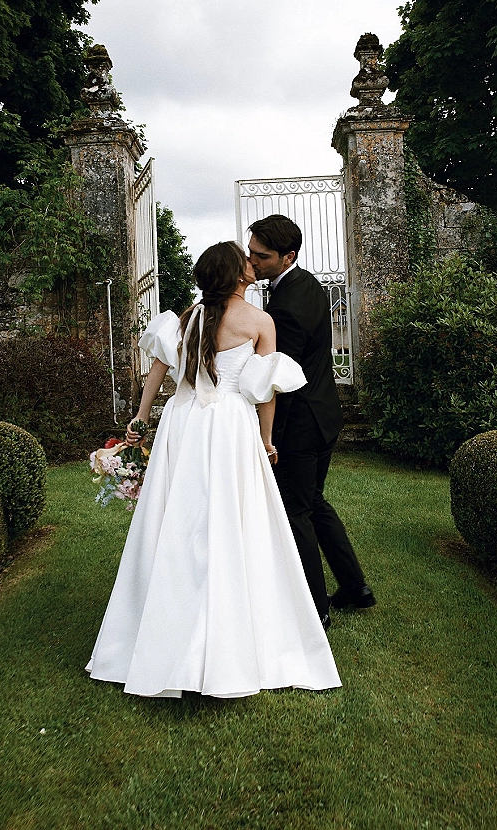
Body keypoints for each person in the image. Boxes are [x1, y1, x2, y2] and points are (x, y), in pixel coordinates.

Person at [86, 240, 341, 698]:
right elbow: (263, 390)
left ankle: (165, 625)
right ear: (238, 276)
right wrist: (266, 441)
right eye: (245, 261)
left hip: (183, 425)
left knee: (178, 523)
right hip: (229, 429)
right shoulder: (260, 322)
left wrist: (141, 419)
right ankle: (229, 628)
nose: (252, 262)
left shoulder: (184, 318)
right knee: (232, 521)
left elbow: (157, 374)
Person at [248, 214, 375, 627]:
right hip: (324, 416)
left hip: (300, 424)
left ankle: (314, 609)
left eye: (261, 256)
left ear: (289, 256)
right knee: (315, 504)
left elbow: (280, 377)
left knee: (296, 511)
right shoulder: (306, 285)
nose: (252, 262)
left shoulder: (286, 305)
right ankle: (355, 587)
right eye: (250, 253)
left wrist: (269, 436)